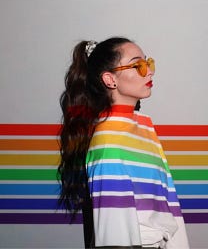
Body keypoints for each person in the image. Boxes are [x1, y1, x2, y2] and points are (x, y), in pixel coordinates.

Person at [57, 37, 190, 248]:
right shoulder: (108, 141)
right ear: (110, 80)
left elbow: (169, 206)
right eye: (138, 65)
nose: (149, 71)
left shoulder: (143, 128)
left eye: (148, 63)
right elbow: (114, 234)